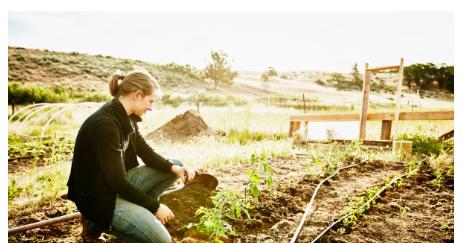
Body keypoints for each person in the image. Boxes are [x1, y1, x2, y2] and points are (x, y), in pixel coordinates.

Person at [67, 69, 196, 243]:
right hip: (99, 197)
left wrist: (177, 169)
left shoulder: (127, 116)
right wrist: (155, 207)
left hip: (114, 186)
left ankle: (136, 215)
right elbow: (118, 183)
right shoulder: (106, 125)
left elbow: (145, 152)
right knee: (161, 240)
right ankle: (94, 223)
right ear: (137, 95)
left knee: (174, 165)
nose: (151, 107)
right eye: (150, 101)